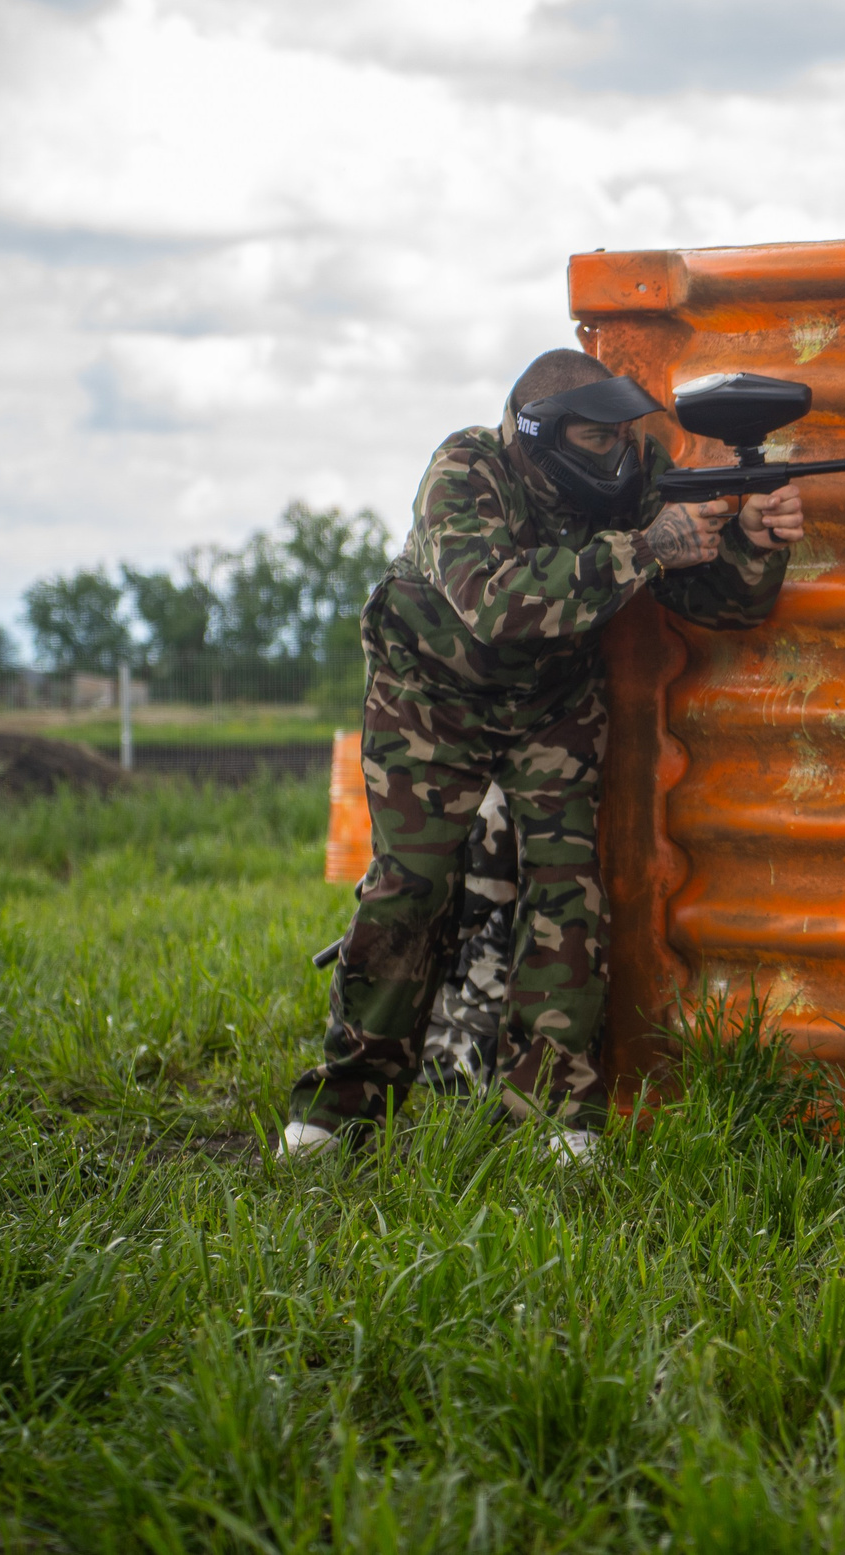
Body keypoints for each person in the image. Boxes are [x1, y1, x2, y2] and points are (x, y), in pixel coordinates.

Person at [279, 348, 802, 1162]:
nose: (622, 454)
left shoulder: (633, 472)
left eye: (626, 436)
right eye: (598, 439)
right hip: (431, 699)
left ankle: (556, 1120)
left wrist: (756, 544)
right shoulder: (465, 470)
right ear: (541, 434)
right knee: (410, 889)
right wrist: (646, 544)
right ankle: (339, 1111)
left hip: (552, 702)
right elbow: (496, 601)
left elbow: (716, 600)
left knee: (567, 893)